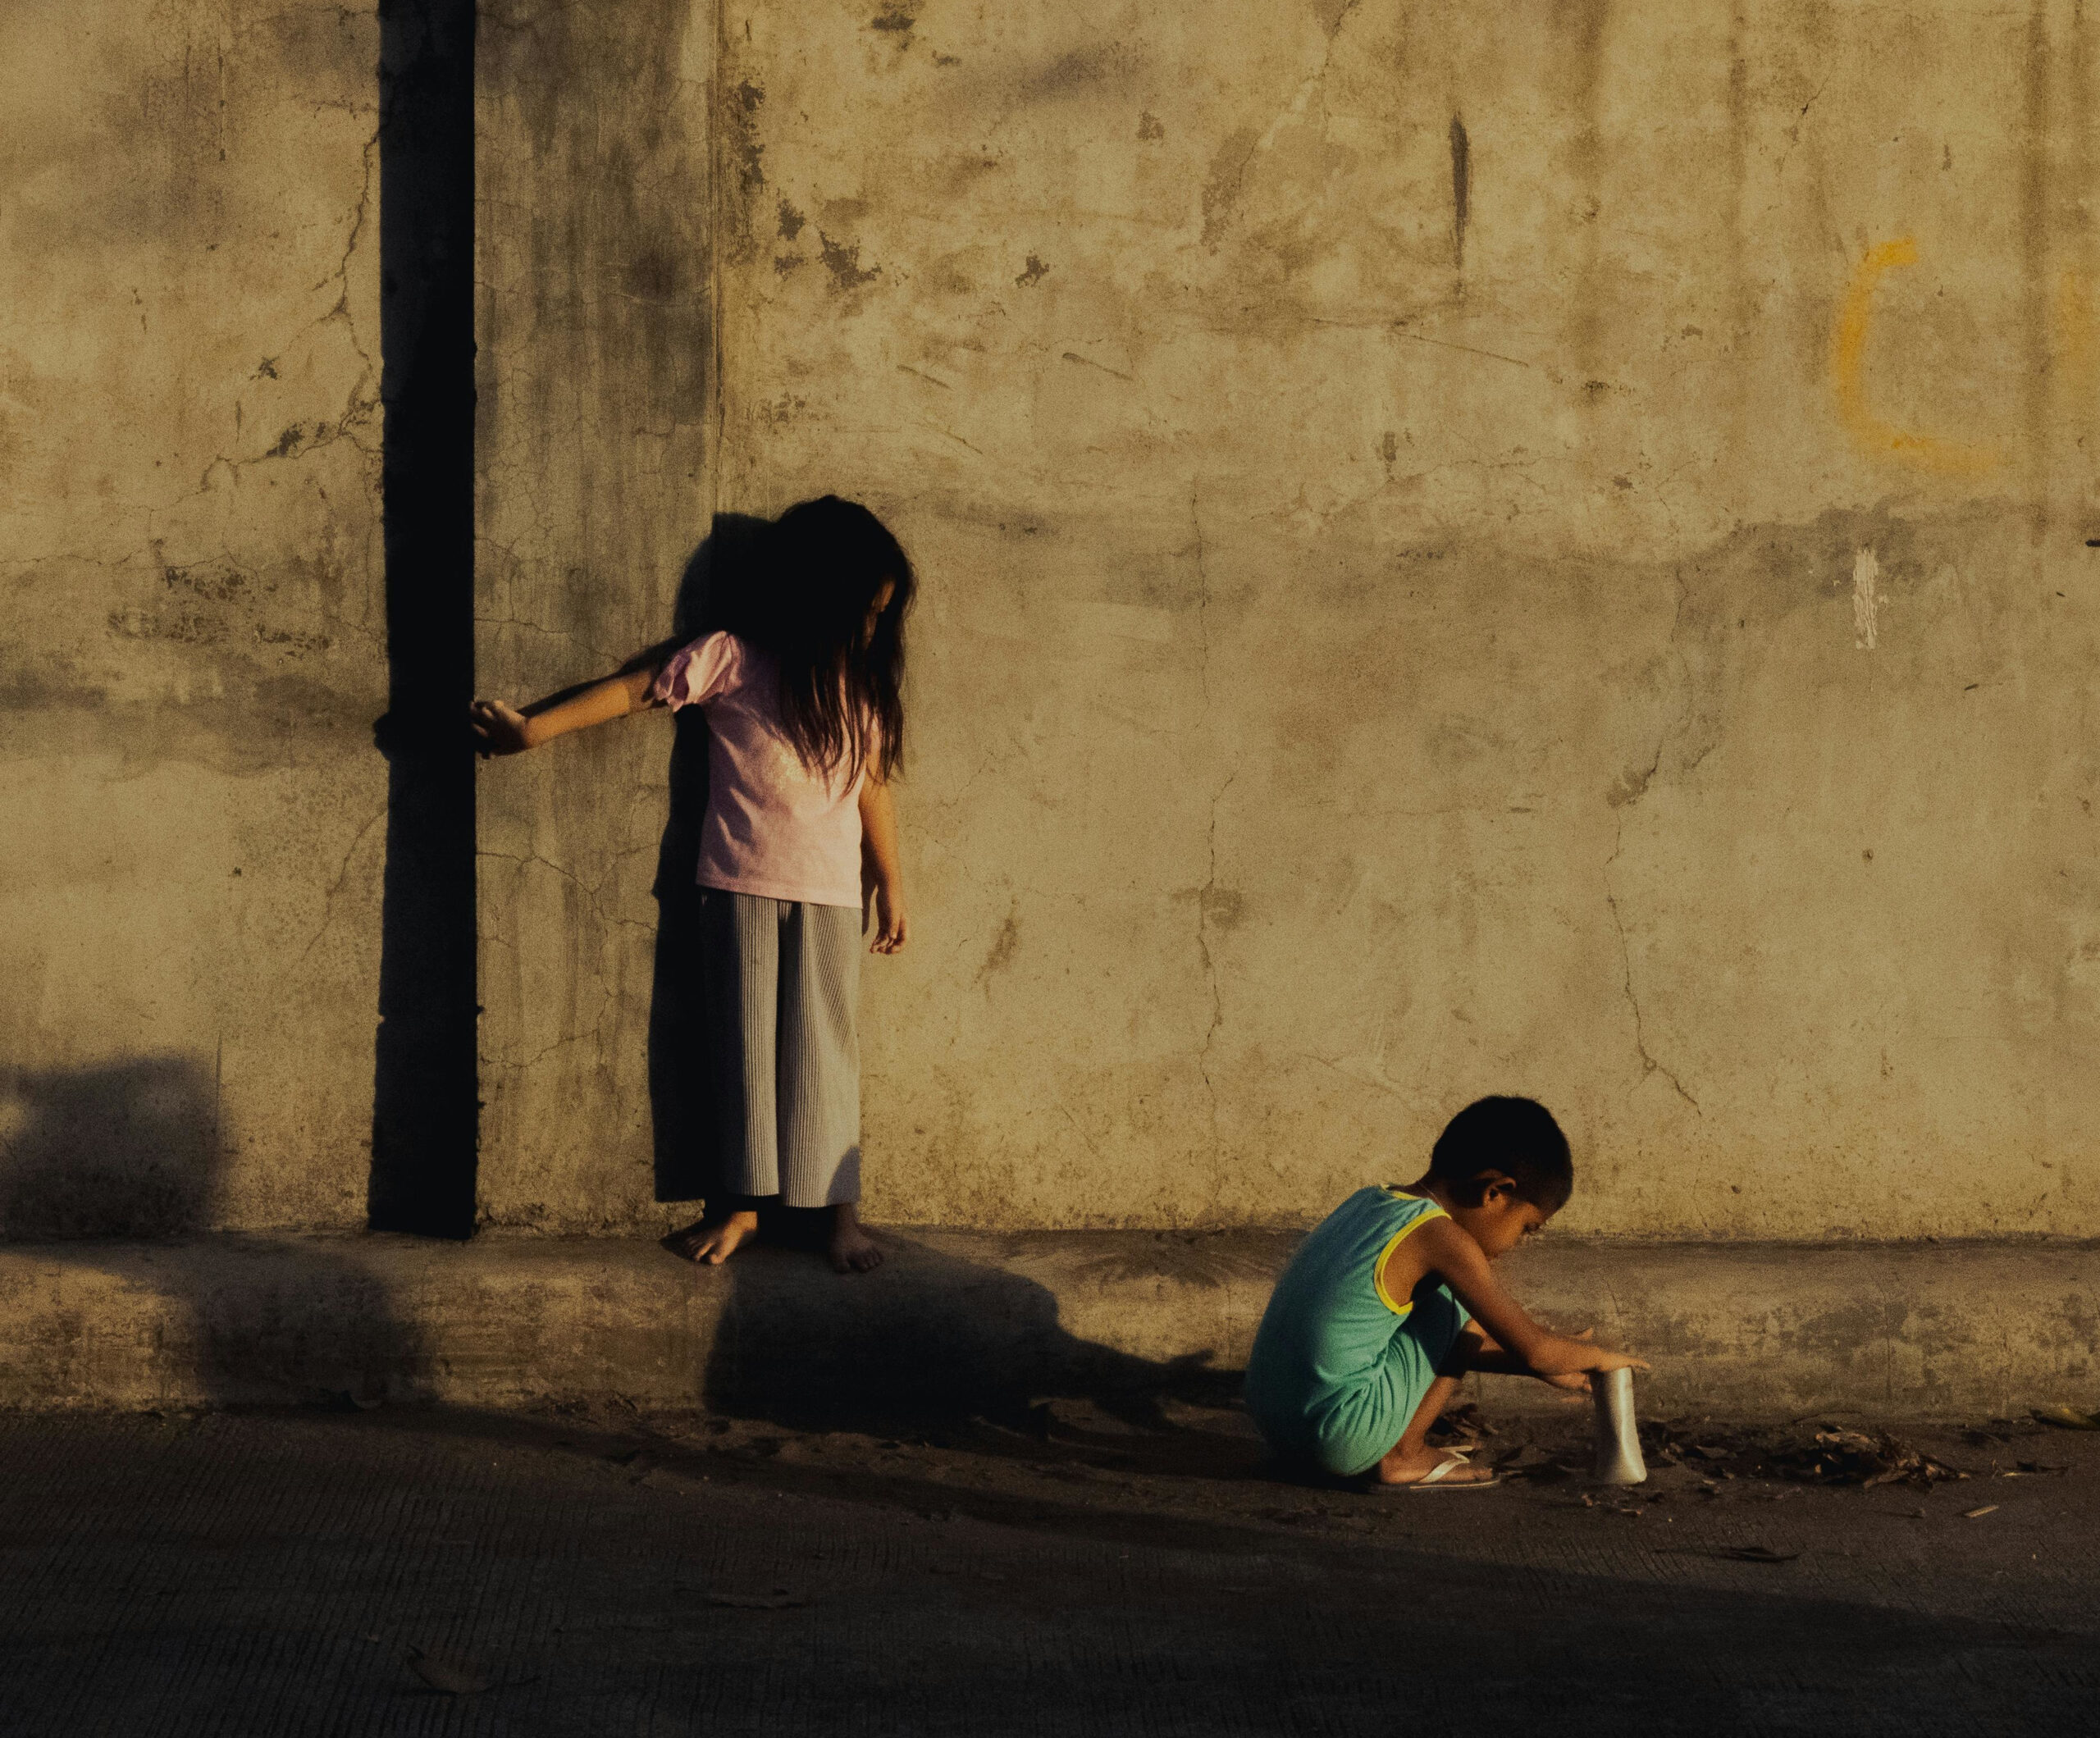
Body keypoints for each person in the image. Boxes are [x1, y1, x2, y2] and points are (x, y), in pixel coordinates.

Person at [469, 496, 913, 1275]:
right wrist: (532, 729)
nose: (870, 631)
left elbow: (873, 790)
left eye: (879, 617)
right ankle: (741, 1207)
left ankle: (838, 1214)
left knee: (825, 1052)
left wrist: (892, 884)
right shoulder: (732, 658)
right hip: (737, 888)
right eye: (862, 612)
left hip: (834, 899)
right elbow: (634, 688)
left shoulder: (861, 695)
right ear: (817, 595)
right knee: (743, 1049)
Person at [1244, 1096, 1646, 1487]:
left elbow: (1460, 1348)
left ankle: (1391, 1447)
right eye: (1527, 1228)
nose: (1519, 1243)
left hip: (1276, 1423)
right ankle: (1403, 1455)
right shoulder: (1442, 1239)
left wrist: (1548, 1360)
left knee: (1449, 1307)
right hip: (1339, 1436)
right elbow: (1533, 1349)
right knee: (1454, 1301)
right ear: (1495, 1192)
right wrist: (1598, 1357)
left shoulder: (1370, 1202)